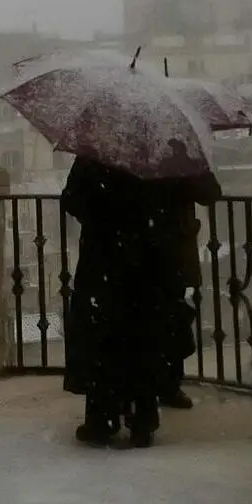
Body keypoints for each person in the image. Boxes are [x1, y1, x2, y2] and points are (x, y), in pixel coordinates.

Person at [61, 156, 180, 448]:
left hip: (102, 264)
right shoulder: (155, 157)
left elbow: (72, 200)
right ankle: (142, 420)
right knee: (143, 340)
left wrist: (99, 213)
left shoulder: (95, 155)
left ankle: (102, 419)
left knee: (103, 342)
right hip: (146, 265)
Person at [159, 169, 222, 410]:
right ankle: (168, 385)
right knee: (170, 317)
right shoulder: (180, 155)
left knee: (157, 318)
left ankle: (149, 388)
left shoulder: (108, 153)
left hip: (140, 254)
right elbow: (210, 193)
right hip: (171, 252)